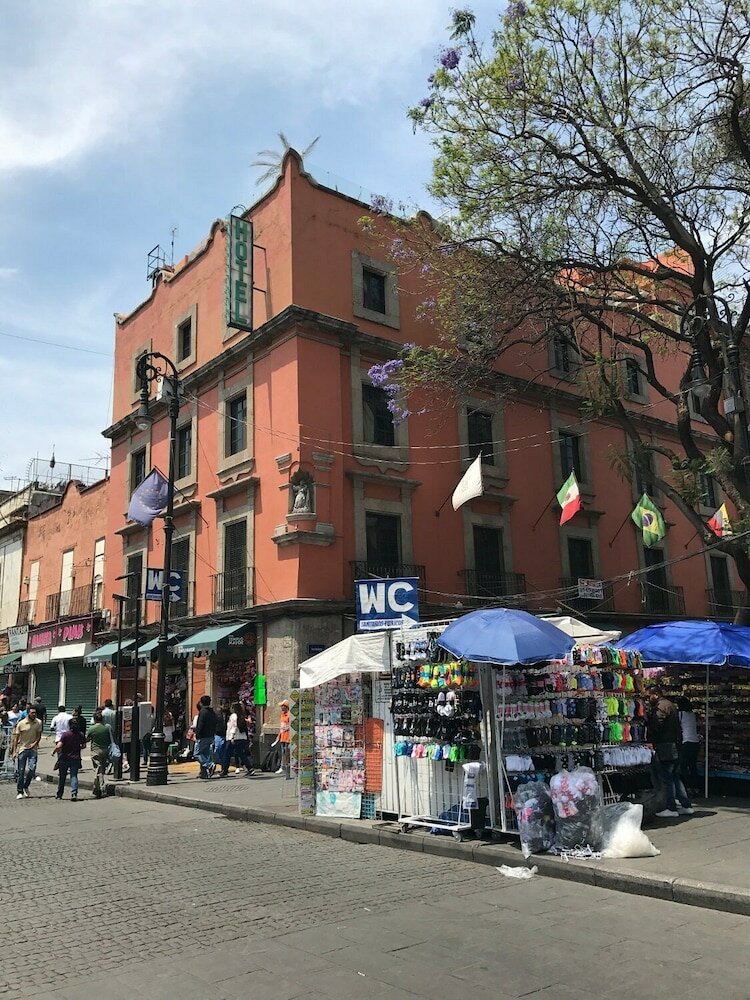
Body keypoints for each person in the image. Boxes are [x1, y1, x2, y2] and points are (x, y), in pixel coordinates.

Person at [647, 685, 693, 817]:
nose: (648, 698)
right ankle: (686, 805)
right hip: (674, 744)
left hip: (665, 746)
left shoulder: (661, 706)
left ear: (655, 694)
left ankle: (671, 807)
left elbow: (657, 723)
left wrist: (650, 734)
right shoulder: (670, 705)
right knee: (675, 777)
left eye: (649, 695)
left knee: (667, 777)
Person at [11, 705, 42, 799]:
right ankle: (19, 791)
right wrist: (14, 751)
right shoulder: (21, 723)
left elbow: (39, 735)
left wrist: (35, 743)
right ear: (28, 713)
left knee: (32, 769)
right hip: (22, 749)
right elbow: (16, 739)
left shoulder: (38, 722)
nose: (34, 714)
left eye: (35, 713)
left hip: (33, 749)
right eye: (32, 713)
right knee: (21, 771)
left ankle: (26, 786)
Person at [55, 717, 86, 801]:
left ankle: (59, 794)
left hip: (64, 758)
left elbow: (59, 746)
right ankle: (74, 793)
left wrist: (54, 751)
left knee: (62, 777)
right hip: (75, 758)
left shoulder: (65, 734)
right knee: (74, 775)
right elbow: (84, 745)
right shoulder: (81, 735)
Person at [677, 696, 701, 796]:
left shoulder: (680, 714)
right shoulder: (692, 714)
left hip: (686, 742)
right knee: (693, 766)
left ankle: (687, 787)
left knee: (683, 767)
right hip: (695, 742)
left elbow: (677, 727)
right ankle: (696, 787)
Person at [224, 702, 255, 776]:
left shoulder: (233, 716)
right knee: (241, 754)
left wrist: (232, 737)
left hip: (234, 738)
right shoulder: (241, 715)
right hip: (242, 737)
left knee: (227, 754)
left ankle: (224, 771)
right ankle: (250, 768)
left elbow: (233, 727)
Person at [87, 710, 112, 799]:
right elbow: (110, 739)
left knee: (98, 770)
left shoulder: (92, 728)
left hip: (95, 750)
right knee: (101, 770)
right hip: (105, 750)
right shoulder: (106, 728)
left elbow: (87, 738)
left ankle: (100, 788)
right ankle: (97, 788)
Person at [194, 695, 217, 779]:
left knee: (197, 754)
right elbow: (215, 722)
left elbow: (200, 724)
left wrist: (197, 734)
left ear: (202, 702)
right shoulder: (212, 712)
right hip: (210, 735)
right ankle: (203, 773)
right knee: (205, 754)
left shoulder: (202, 712)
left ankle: (209, 764)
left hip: (203, 736)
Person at [272, 699, 291, 778]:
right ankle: (283, 766)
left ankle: (287, 767)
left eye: (283, 706)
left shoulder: (289, 715)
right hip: (282, 736)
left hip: (288, 736)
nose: (281, 708)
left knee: (287, 752)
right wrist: (278, 736)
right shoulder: (282, 715)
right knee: (283, 752)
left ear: (286, 707)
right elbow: (281, 726)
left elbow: (290, 726)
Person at [213, 701, 229, 776]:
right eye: (224, 705)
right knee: (218, 749)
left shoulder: (230, 714)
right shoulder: (216, 714)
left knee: (225, 752)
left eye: (226, 705)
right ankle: (218, 762)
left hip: (227, 735)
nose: (225, 706)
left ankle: (224, 768)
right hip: (218, 734)